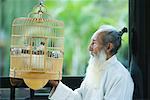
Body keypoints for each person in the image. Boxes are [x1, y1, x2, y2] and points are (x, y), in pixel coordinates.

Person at [48, 25, 134, 100]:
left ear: (108, 47)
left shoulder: (120, 77)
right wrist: (56, 85)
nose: (89, 48)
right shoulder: (95, 72)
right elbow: (79, 98)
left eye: (94, 43)